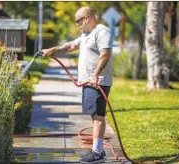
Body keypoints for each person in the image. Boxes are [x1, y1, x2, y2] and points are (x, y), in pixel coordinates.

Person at [42, 6, 113, 164]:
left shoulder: (102, 31)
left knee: (98, 116)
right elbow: (71, 46)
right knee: (93, 115)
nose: (77, 24)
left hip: (98, 82)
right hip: (88, 82)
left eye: (78, 21)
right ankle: (96, 149)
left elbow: (105, 54)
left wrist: (95, 74)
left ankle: (97, 152)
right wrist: (52, 50)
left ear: (87, 17)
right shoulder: (86, 34)